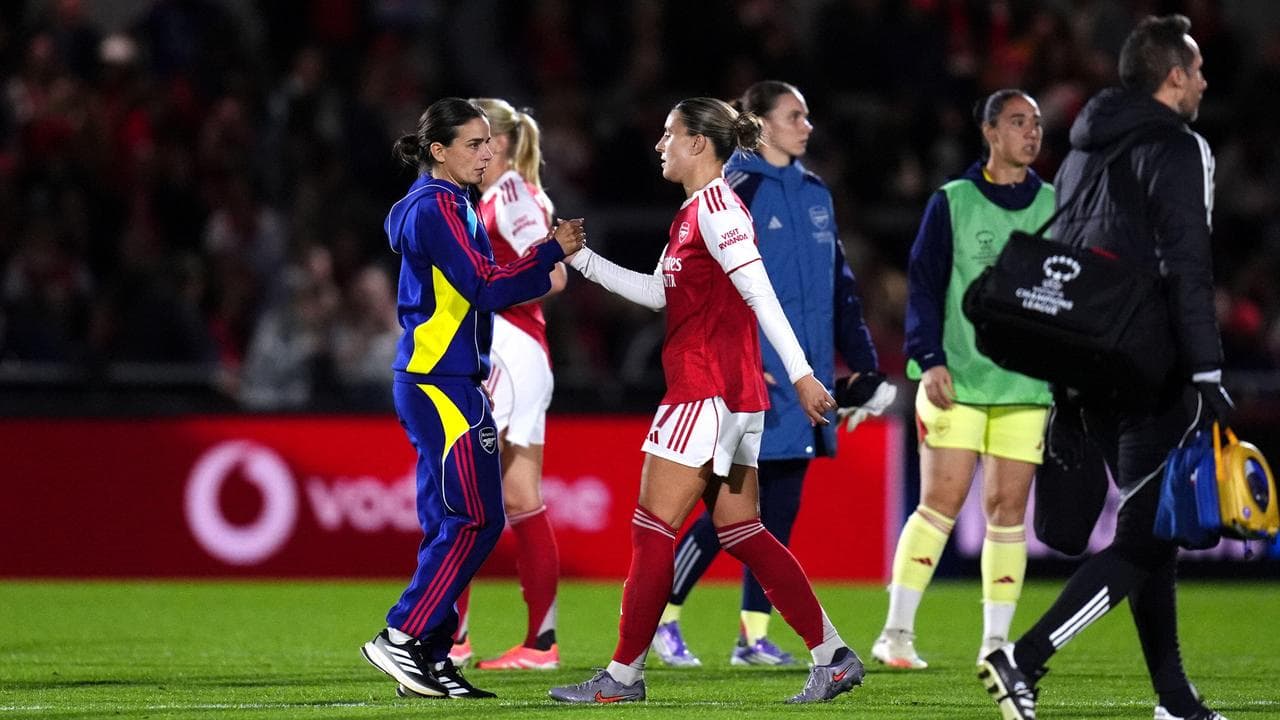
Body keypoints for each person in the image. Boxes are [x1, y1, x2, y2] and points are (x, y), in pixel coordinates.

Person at [547, 97, 864, 705]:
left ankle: (622, 678)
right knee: (743, 530)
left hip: (704, 393)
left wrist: (800, 375)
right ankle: (833, 655)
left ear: (698, 143)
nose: (659, 145)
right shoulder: (697, 212)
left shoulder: (718, 211)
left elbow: (760, 292)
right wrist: (581, 259)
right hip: (733, 397)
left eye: (669, 134)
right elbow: (660, 295)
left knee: (651, 530)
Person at [978, 16, 1232, 720]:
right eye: (1198, 68)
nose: (1206, 81)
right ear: (1173, 77)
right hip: (1152, 366)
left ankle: (1174, 700)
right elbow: (1188, 262)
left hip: (1089, 363)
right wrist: (1207, 370)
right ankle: (1023, 659)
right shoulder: (1181, 147)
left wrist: (1065, 385)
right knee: (1148, 536)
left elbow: (1067, 262)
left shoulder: (1083, 150)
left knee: (1153, 536)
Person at [648, 80, 894, 668]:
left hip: (804, 373)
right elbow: (722, 291)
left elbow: (841, 289)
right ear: (758, 121)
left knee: (776, 510)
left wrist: (862, 366)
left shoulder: (815, 193)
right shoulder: (736, 191)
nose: (807, 125)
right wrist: (752, 360)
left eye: (808, 115)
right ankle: (664, 618)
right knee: (726, 514)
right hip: (753, 376)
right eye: (794, 115)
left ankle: (752, 637)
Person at [358, 97, 583, 700]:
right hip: (442, 382)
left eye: (490, 142)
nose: (489, 154)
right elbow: (484, 288)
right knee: (478, 518)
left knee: (447, 520)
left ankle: (431, 657)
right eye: (475, 144)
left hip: (443, 376)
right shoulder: (439, 206)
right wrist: (548, 254)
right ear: (440, 151)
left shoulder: (440, 203)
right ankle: (402, 635)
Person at [872, 89, 1056, 671]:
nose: (1032, 133)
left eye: (1037, 124)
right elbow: (923, 285)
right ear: (990, 132)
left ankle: (995, 642)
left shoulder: (1056, 203)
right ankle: (896, 631)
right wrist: (929, 358)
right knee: (940, 503)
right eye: (1019, 122)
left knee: (1007, 509)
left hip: (1026, 384)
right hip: (956, 376)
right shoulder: (952, 200)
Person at [446, 97, 567, 671]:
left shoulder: (513, 194)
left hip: (510, 350)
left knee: (463, 489)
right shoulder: (502, 194)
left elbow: (555, 273)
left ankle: (452, 637)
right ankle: (540, 645)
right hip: (524, 352)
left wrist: (491, 288)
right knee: (521, 500)